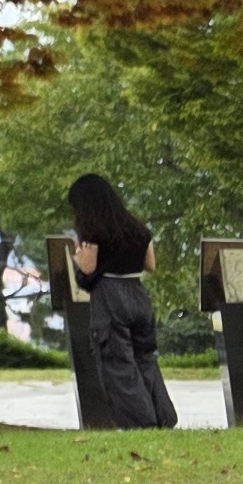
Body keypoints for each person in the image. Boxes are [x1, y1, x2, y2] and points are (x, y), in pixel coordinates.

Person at [63, 176, 176, 430]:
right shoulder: (137, 228)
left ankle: (141, 423)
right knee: (145, 358)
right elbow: (151, 265)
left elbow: (88, 272)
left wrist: (77, 258)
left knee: (118, 362)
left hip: (110, 297)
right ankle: (164, 417)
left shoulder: (92, 232)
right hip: (138, 294)